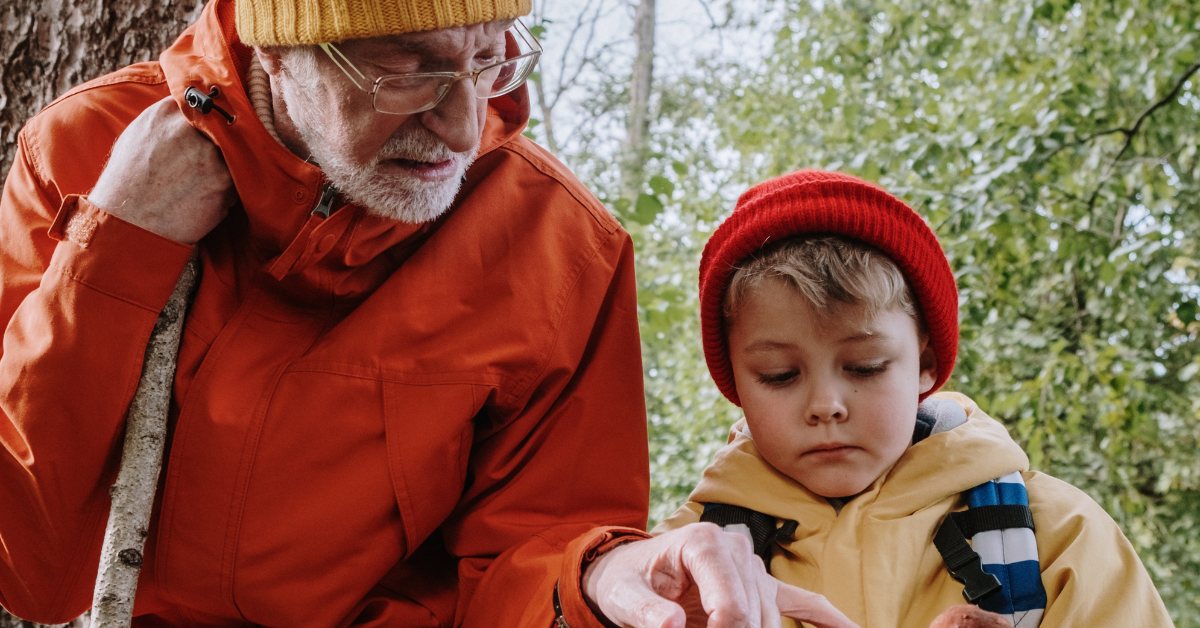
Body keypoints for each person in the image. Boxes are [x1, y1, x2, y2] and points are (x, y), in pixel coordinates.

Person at [0, 1, 856, 626]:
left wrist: (604, 576)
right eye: (407, 69)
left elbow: (527, 560)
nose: (460, 125)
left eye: (488, 60)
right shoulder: (84, 155)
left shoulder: (556, 246)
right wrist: (117, 251)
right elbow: (25, 568)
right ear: (278, 46)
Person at [649, 169, 1175, 628]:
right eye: (779, 374)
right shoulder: (681, 558)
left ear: (926, 362)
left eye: (865, 367)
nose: (826, 405)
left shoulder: (1059, 535)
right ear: (736, 384)